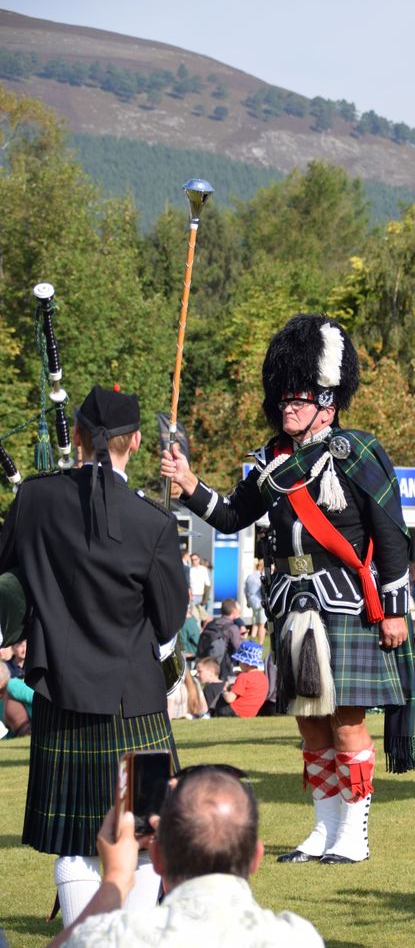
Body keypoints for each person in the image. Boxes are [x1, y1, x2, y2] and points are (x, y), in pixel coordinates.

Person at [161, 313, 415, 865]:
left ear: (327, 402)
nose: (287, 409)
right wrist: (188, 484)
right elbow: (232, 515)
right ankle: (323, 830)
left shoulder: (359, 452)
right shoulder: (273, 460)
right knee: (310, 723)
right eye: (283, 400)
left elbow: (392, 536)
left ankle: (354, 835)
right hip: (292, 604)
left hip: (347, 604)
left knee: (346, 720)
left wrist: (397, 610)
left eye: (299, 400)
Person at [0, 385, 188, 926]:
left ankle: (86, 938)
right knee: (146, 833)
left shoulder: (33, 499)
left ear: (76, 435)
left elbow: (8, 575)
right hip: (137, 703)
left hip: (60, 694)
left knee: (76, 838)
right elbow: (170, 620)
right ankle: (130, 935)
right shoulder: (152, 522)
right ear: (133, 442)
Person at [44, 766, 325, 948]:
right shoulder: (298, 937)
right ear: (256, 857)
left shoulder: (113, 938)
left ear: (156, 858)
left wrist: (115, 880)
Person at [212, 641, 269, 718]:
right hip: (250, 714)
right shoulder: (263, 678)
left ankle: (210, 714)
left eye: (239, 661)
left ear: (245, 663)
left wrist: (224, 691)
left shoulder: (244, 677)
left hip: (234, 711)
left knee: (222, 698)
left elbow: (229, 699)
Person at [196, 597, 243, 680]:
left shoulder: (211, 624)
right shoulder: (233, 628)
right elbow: (239, 647)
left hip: (209, 661)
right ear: (234, 612)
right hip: (225, 666)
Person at [244, 559, 267, 643]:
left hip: (252, 602)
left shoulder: (250, 576)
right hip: (261, 602)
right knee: (262, 624)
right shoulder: (263, 576)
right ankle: (260, 644)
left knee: (256, 622)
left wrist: (248, 602)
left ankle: (252, 640)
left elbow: (246, 590)